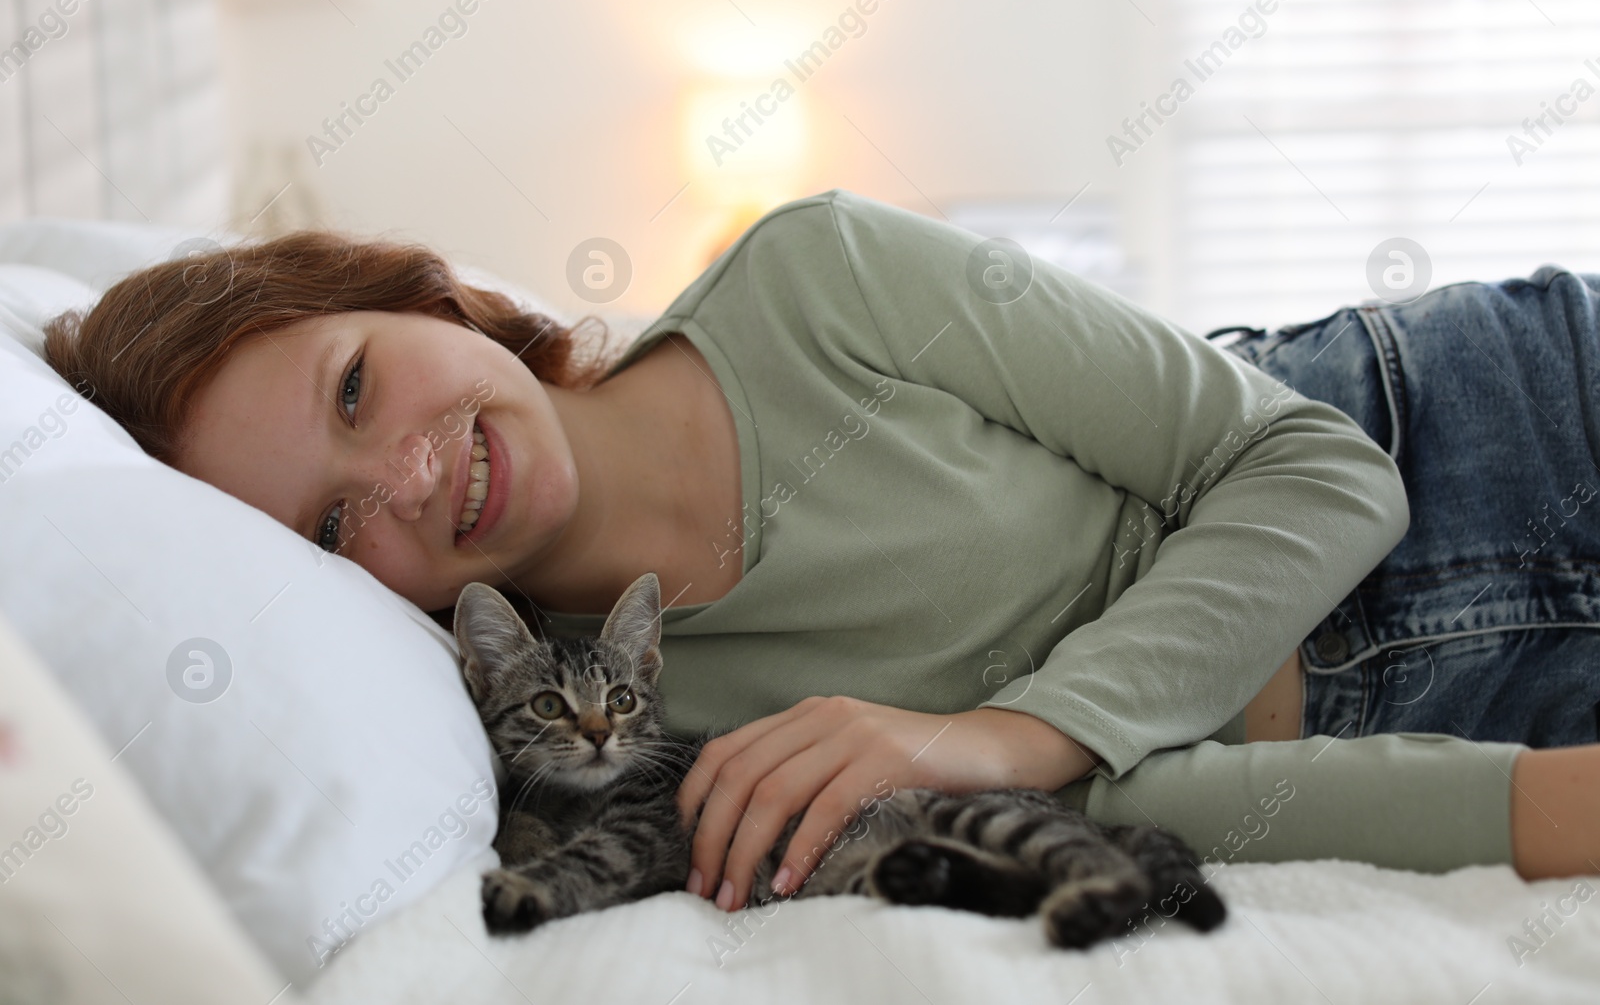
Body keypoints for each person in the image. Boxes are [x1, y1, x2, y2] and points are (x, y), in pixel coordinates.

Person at [42, 189, 1600, 916]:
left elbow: (1315, 469)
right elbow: (1131, 801)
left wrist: (997, 728)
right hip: (1478, 709)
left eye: (359, 386)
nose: (405, 473)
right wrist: (1524, 811)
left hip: (1492, 418)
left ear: (422, 302)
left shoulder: (818, 276)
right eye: (329, 525)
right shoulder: (659, 739)